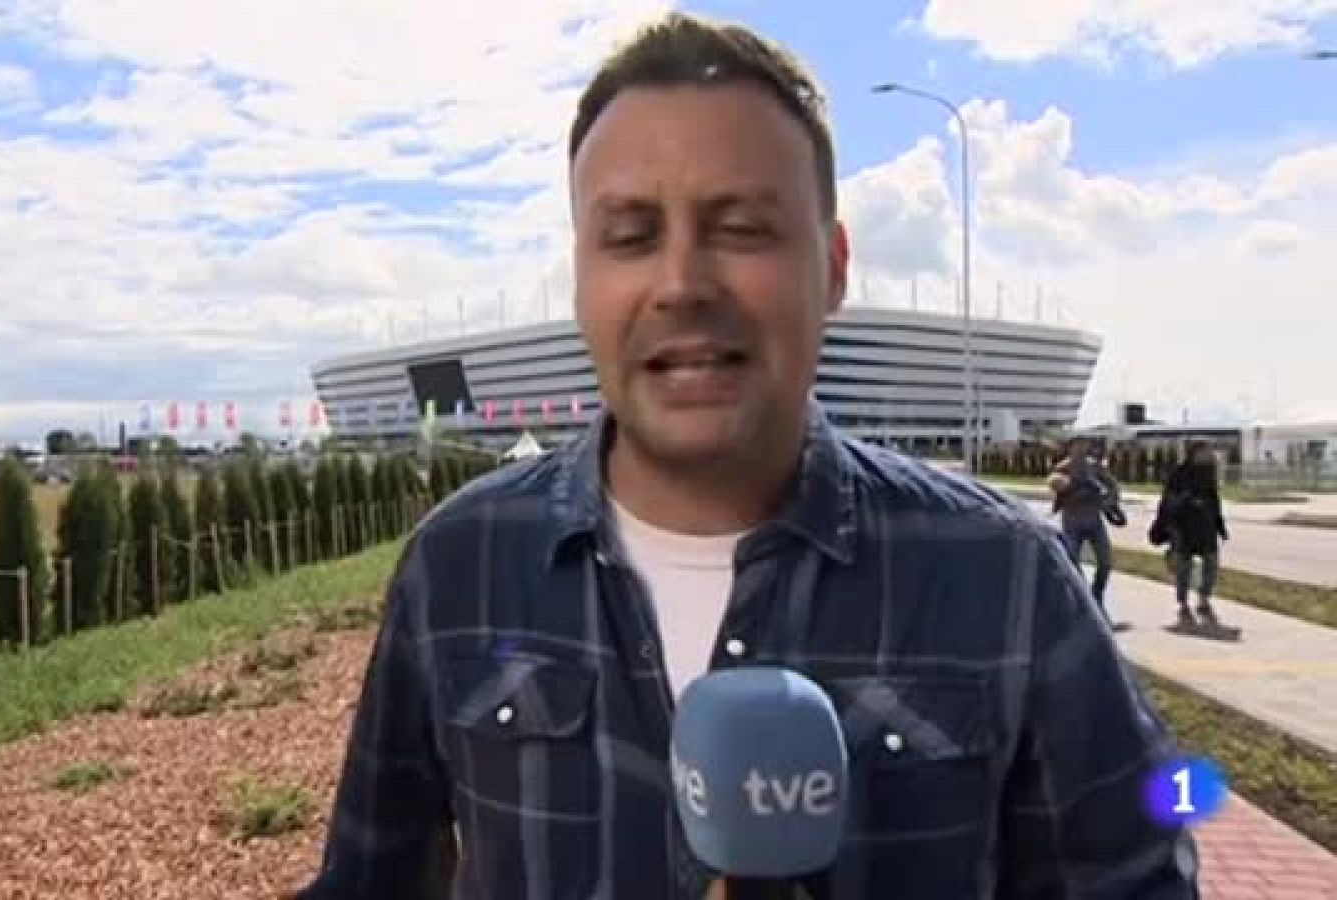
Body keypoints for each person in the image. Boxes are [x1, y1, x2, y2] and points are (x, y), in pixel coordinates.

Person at [297, 12, 1199, 899]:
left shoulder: (1009, 579)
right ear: (581, 278)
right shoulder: (460, 564)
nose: (683, 283)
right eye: (631, 236)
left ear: (835, 265)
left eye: (741, 227)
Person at [1046, 437, 1124, 626]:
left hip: (1094, 521)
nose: (1082, 448)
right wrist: (1068, 489)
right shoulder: (1062, 468)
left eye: (1085, 445)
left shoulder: (1095, 468)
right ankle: (1082, 600)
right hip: (1072, 522)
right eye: (1077, 445)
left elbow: (1112, 486)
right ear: (1070, 448)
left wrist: (1108, 500)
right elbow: (1054, 486)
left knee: (1105, 562)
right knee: (1072, 562)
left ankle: (1097, 595)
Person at [1151, 442, 1230, 626]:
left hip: (1206, 527)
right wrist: (1186, 503)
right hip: (1183, 527)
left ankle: (1204, 598)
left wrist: (1220, 526)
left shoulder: (1208, 473)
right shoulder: (1179, 473)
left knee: (1211, 563)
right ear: (1194, 453)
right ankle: (1183, 602)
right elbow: (1168, 501)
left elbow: (1214, 501)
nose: (1209, 455)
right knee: (1184, 568)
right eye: (1205, 451)